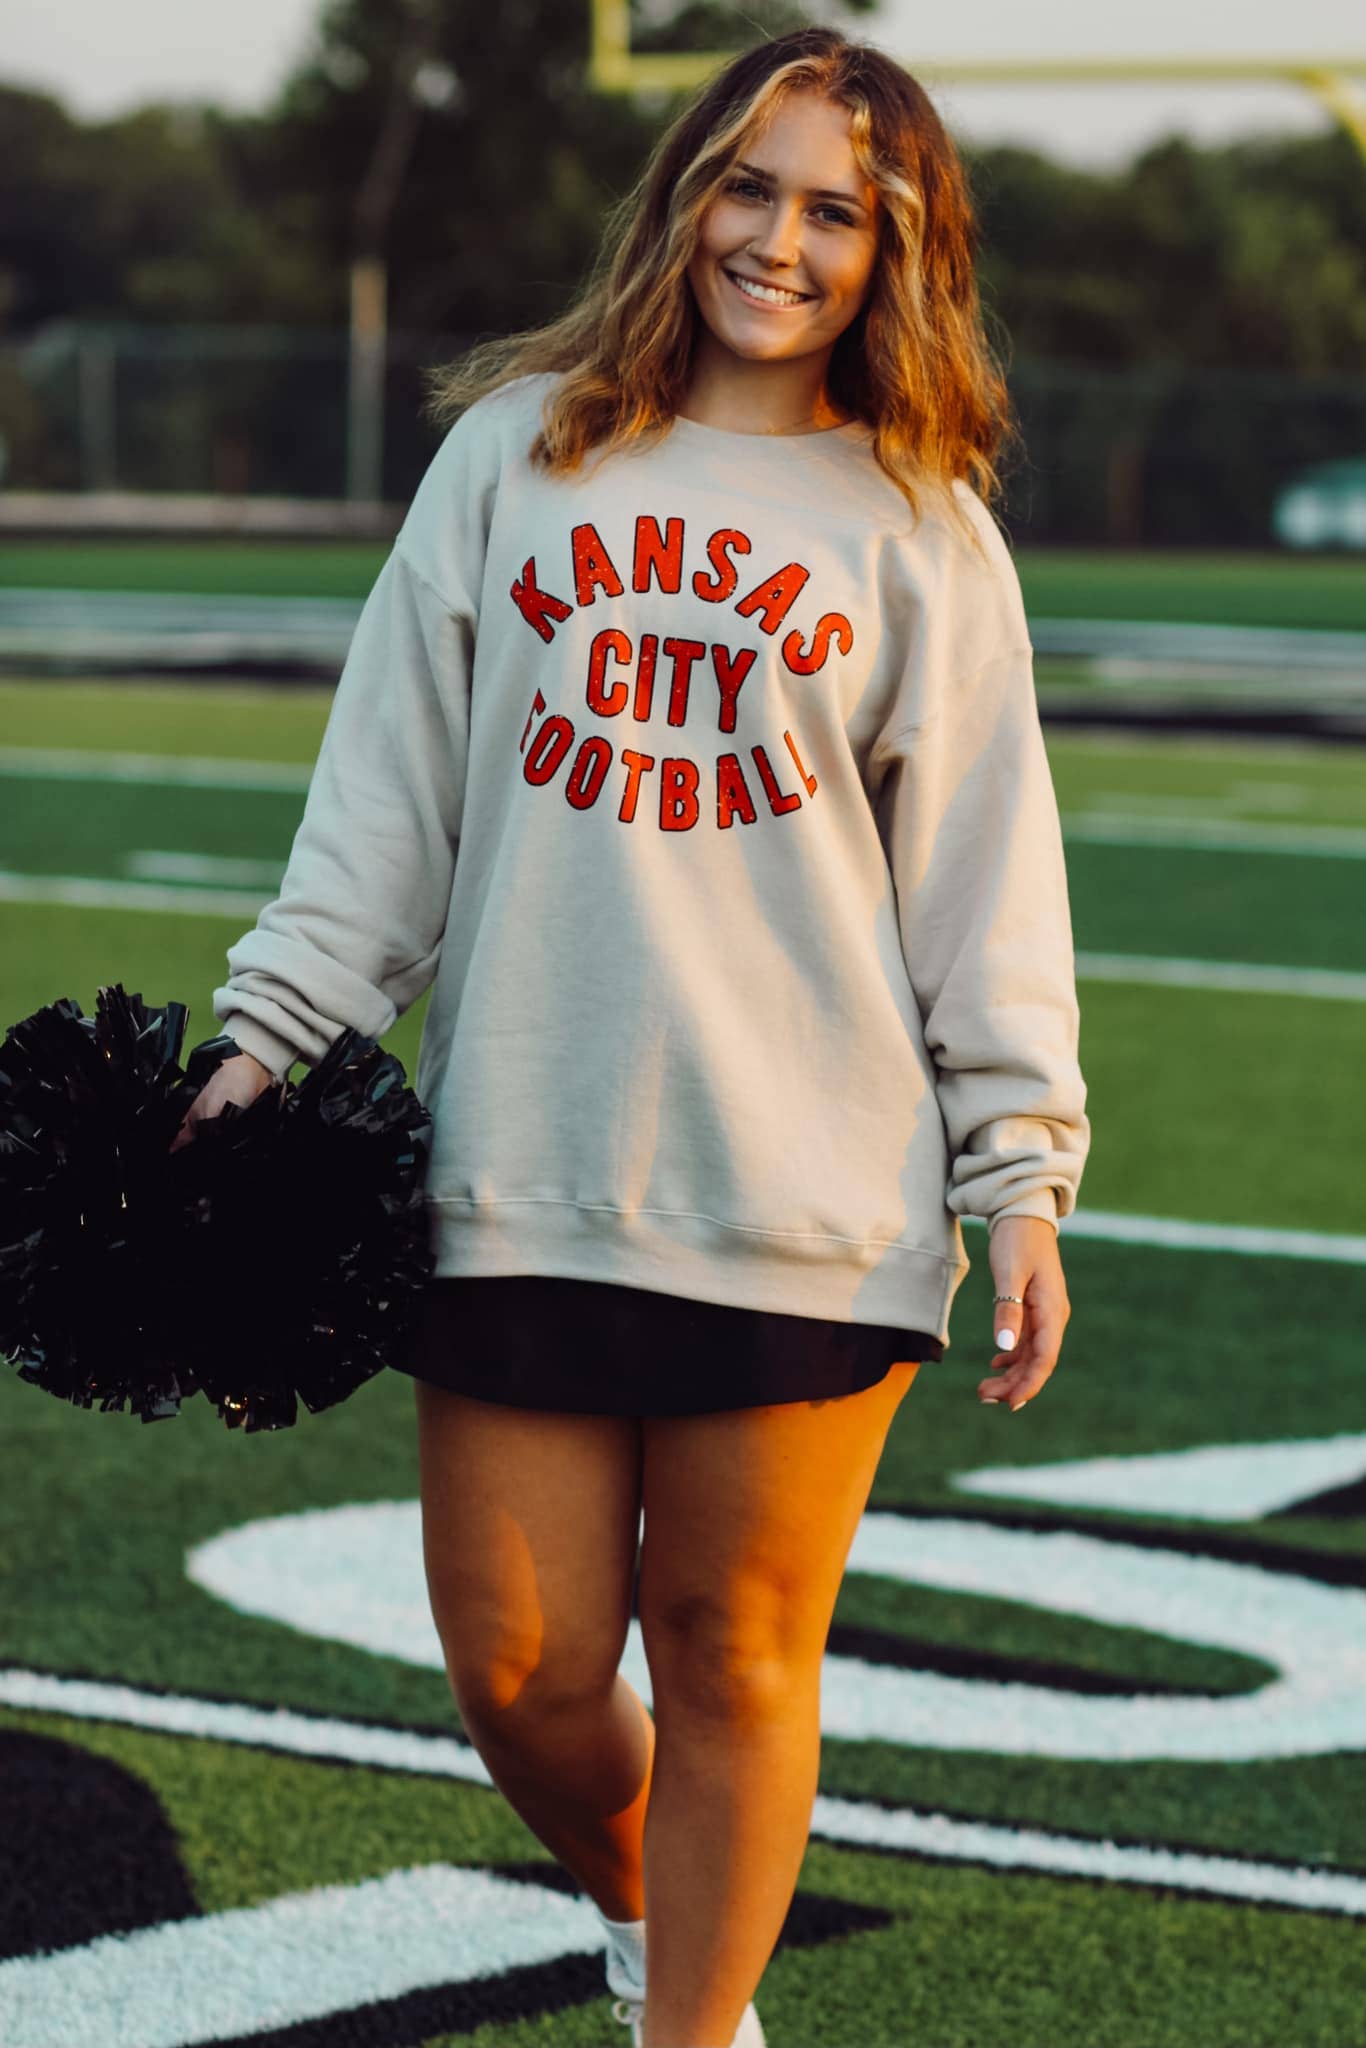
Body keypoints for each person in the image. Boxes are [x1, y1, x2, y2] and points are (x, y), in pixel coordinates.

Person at [174, 25, 1090, 2048]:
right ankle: (658, 1910)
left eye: (835, 211)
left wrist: (1017, 1173)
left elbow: (982, 878)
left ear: (893, 254)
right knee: (515, 1659)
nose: (777, 239)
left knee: (734, 1649)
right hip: (515, 1156)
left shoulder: (917, 524)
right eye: (745, 186)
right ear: (682, 192)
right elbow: (382, 799)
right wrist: (269, 1033)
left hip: (805, 1183)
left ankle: (694, 2023)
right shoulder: (517, 450)